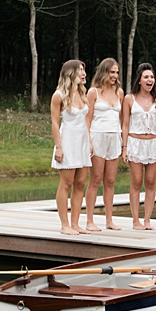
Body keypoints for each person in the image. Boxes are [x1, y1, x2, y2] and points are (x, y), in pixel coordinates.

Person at [122, 62, 156, 230]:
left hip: (154, 143)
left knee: (151, 182)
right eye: (146, 77)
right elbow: (125, 125)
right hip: (135, 143)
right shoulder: (129, 99)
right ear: (140, 80)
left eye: (152, 77)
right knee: (136, 181)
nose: (150, 80)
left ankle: (147, 219)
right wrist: (124, 147)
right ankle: (136, 220)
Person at [50, 59, 90, 234]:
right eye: (80, 70)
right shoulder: (59, 95)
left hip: (82, 142)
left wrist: (90, 141)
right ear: (70, 73)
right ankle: (64, 225)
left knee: (80, 183)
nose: (84, 74)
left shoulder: (83, 94)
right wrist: (58, 147)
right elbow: (54, 122)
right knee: (66, 183)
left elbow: (86, 121)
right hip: (67, 141)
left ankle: (75, 223)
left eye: (84, 70)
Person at [85, 58, 123, 232]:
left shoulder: (119, 92)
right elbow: (87, 118)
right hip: (98, 136)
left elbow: (122, 119)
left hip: (114, 137)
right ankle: (90, 220)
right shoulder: (93, 92)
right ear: (104, 72)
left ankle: (109, 219)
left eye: (116, 72)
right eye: (111, 72)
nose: (114, 75)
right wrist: (89, 141)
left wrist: (124, 143)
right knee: (96, 179)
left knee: (110, 180)